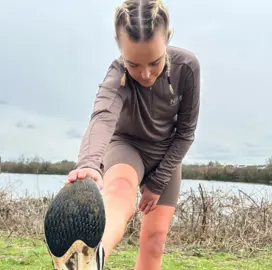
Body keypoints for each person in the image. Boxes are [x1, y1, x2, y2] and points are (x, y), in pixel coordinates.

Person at [67, 0, 200, 269]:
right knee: (120, 192)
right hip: (127, 145)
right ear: (118, 45)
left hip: (167, 153)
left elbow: (185, 132)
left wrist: (158, 183)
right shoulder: (117, 74)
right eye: (134, 64)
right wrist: (89, 164)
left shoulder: (187, 67)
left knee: (155, 238)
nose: (146, 73)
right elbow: (103, 117)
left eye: (155, 62)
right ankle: (89, 259)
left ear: (168, 39)